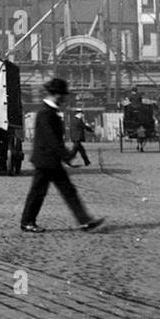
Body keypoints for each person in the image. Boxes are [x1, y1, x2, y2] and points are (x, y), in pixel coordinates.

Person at [20, 78, 104, 233]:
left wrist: (64, 156)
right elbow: (51, 138)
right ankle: (27, 222)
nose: (65, 98)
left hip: (48, 160)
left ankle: (84, 220)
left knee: (62, 191)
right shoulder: (46, 113)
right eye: (63, 95)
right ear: (57, 95)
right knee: (42, 192)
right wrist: (66, 155)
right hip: (46, 161)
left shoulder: (49, 112)